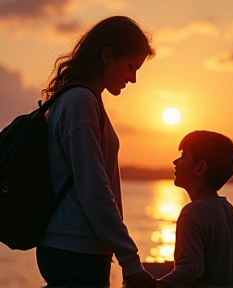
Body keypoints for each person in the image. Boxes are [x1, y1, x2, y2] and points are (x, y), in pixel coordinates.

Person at [36, 16, 156, 288]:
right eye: (130, 67)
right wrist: (131, 261)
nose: (133, 79)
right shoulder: (80, 102)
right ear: (106, 55)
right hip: (75, 250)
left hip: (74, 248)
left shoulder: (81, 100)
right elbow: (94, 189)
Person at [156, 131, 233, 288]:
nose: (175, 161)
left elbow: (190, 270)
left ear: (200, 167)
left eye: (183, 156)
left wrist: (154, 286)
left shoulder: (192, 214)